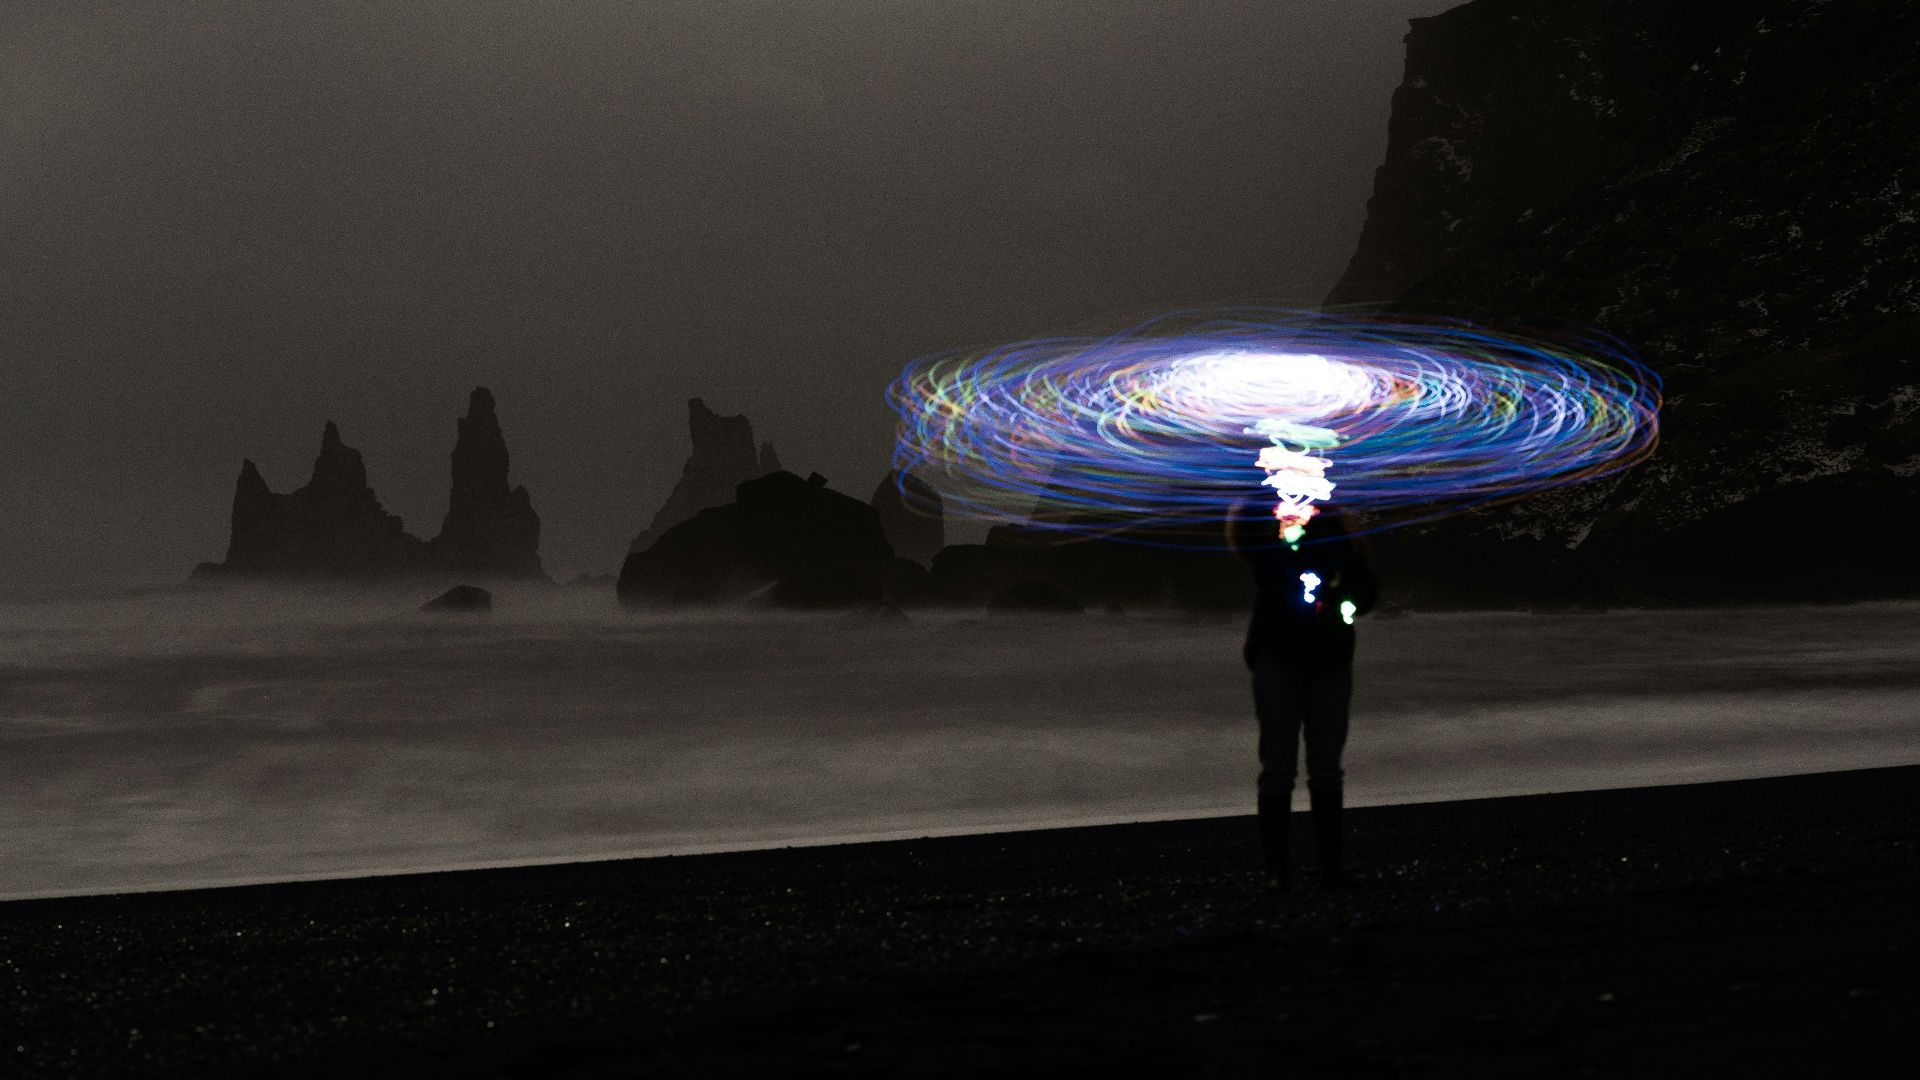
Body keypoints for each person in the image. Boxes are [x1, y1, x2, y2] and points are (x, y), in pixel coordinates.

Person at [1227, 499, 1379, 889]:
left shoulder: (1337, 534)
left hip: (1322, 658)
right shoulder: (1271, 533)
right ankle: (1288, 872)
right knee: (1286, 768)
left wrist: (1341, 602)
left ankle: (1308, 871)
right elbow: (1254, 551)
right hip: (1285, 656)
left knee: (1315, 767)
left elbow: (1366, 590)